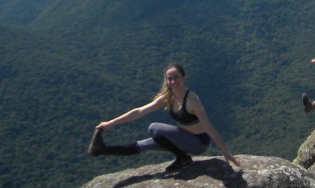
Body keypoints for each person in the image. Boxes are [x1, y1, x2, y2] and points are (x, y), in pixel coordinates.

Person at [87, 63, 240, 171]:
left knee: (153, 128)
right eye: (170, 78)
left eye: (176, 77)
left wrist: (225, 151)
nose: (173, 82)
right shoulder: (168, 97)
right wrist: (111, 123)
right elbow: (139, 111)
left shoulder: (193, 100)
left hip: (197, 143)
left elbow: (208, 126)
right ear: (166, 80)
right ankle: (102, 150)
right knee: (145, 144)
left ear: (184, 77)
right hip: (182, 138)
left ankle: (182, 158)